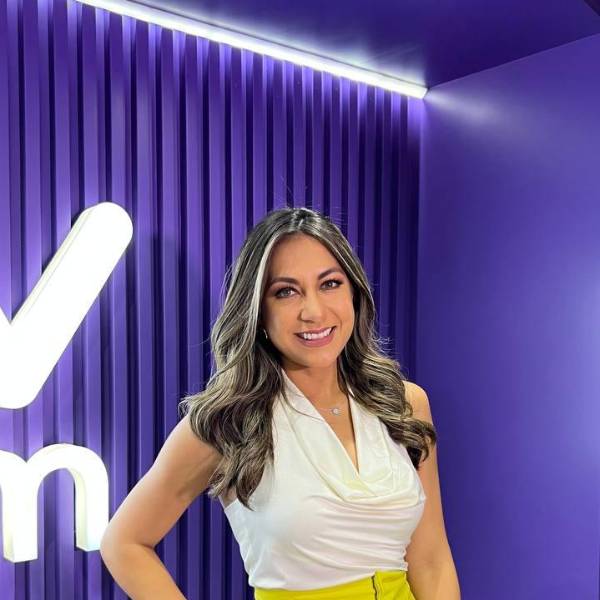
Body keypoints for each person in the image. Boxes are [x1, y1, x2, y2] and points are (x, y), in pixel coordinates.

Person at [100, 207, 461, 599]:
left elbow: (431, 560)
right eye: (286, 292)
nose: (314, 312)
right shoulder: (229, 420)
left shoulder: (404, 403)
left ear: (355, 293)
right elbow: (124, 542)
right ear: (258, 311)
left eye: (330, 284)